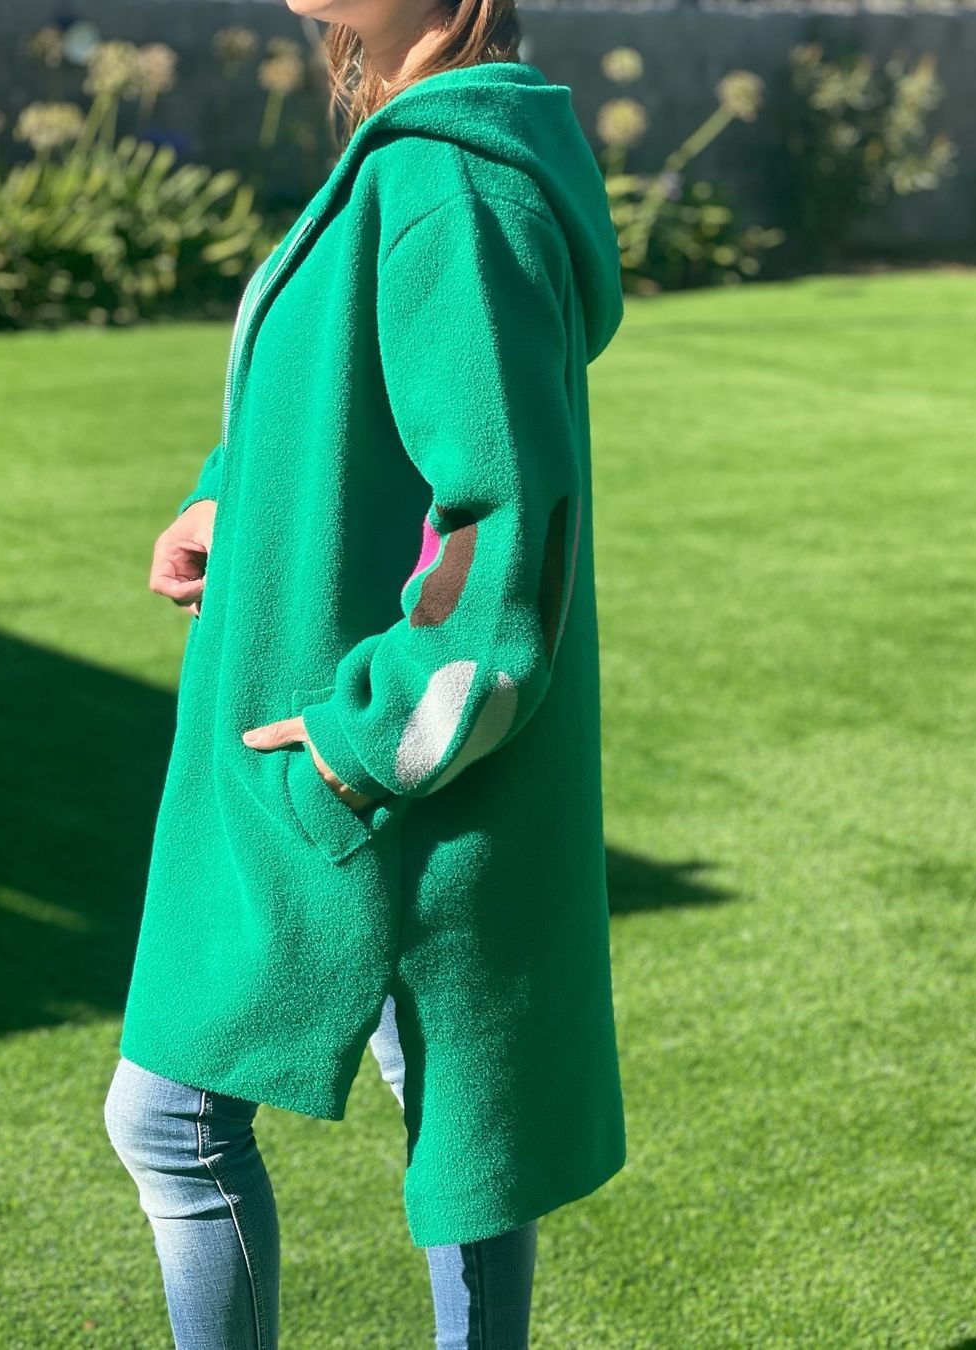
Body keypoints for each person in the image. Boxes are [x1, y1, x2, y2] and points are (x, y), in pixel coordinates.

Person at [103, 0, 627, 1342]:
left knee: (175, 1120)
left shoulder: (449, 179)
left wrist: (367, 741)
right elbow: (353, 399)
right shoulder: (419, 144)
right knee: (457, 1124)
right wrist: (231, 497)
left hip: (372, 765)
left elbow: (503, 527)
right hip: (372, 765)